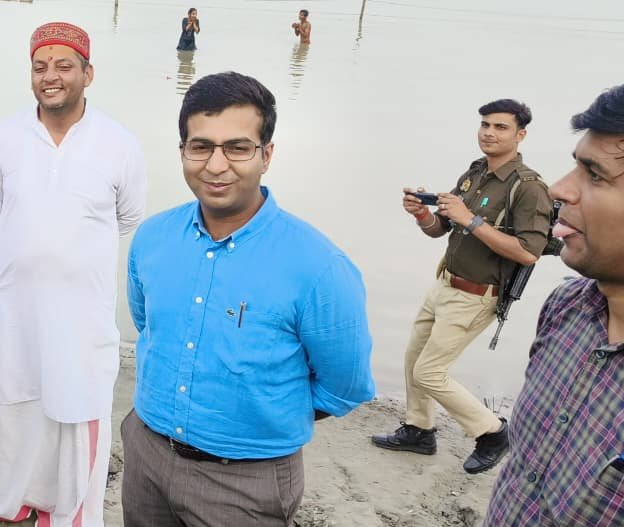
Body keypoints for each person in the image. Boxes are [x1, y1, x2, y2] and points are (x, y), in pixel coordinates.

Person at [122, 71, 375, 526]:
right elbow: (149, 325)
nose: (217, 165)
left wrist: (255, 417)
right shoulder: (153, 238)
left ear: (267, 154)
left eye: (238, 148)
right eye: (201, 146)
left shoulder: (318, 266)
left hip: (245, 482)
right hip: (146, 454)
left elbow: (345, 385)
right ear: (182, 151)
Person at [0, 21, 146, 526]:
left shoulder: (118, 144)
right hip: (14, 304)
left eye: (63, 66)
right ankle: (8, 500)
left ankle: (70, 511)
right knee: (11, 405)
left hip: (82, 313)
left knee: (77, 410)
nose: (50, 76)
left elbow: (127, 219)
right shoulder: (5, 137)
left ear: (88, 72)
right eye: (40, 67)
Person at [372, 99, 553, 475]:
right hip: (444, 284)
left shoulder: (529, 188)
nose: (489, 132)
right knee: (413, 359)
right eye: (485, 124)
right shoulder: (475, 173)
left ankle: (493, 432)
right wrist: (422, 213)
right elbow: (441, 229)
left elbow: (528, 252)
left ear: (521, 135)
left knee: (429, 372)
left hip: (477, 295)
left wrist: (470, 220)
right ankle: (419, 430)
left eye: (500, 127)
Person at [483, 84, 624, 525]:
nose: (561, 189)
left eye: (595, 174)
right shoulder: (566, 307)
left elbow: (525, 250)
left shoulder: (524, 186)